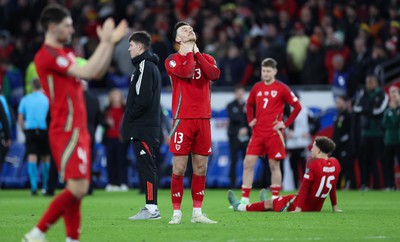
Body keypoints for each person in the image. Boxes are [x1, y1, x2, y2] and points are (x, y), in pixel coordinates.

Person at [22, 4, 127, 242]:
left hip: (77, 128)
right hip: (66, 127)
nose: (72, 30)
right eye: (67, 26)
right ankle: (37, 233)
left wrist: (109, 44)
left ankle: (72, 239)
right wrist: (106, 43)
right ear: (52, 27)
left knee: (77, 188)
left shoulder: (66, 53)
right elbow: (88, 71)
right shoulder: (47, 55)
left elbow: (97, 72)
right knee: (78, 188)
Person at [164, 21, 220, 224]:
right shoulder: (172, 60)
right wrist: (189, 53)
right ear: (178, 39)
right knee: (179, 167)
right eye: (184, 30)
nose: (190, 30)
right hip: (183, 119)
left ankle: (197, 212)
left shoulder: (206, 58)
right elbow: (187, 72)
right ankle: (176, 212)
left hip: (203, 119)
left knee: (201, 168)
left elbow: (214, 74)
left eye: (191, 29)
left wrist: (197, 53)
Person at [239, 58, 302, 204]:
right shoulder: (257, 87)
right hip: (258, 133)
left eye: (268, 71)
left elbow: (297, 106)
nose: (265, 74)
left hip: (274, 133)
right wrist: (250, 120)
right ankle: (244, 199)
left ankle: (275, 198)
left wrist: (285, 124)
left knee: (274, 165)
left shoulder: (282, 88)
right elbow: (249, 105)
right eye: (263, 71)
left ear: (275, 71)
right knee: (248, 162)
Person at [228, 136, 342, 213]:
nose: (311, 149)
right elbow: (332, 187)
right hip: (316, 207)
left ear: (318, 151)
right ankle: (265, 200)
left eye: (313, 146)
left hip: (302, 205)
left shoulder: (313, 163)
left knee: (270, 203)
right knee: (281, 199)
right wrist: (334, 207)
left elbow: (304, 187)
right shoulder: (335, 163)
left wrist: (298, 209)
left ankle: (240, 207)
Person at [121, 31, 162, 220]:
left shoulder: (145, 66)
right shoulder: (143, 66)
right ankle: (150, 207)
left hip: (144, 126)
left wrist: (129, 118)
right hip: (145, 126)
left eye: (131, 45)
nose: (128, 49)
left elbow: (143, 100)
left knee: (147, 167)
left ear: (139, 47)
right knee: (147, 166)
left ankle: (152, 209)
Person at [353, 74, 388, 190]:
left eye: (371, 82)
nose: (369, 84)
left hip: (378, 133)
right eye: (367, 82)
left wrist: (366, 110)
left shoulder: (382, 94)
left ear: (376, 83)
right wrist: (369, 109)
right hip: (365, 133)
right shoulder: (363, 93)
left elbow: (379, 111)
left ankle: (386, 185)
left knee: (382, 160)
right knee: (365, 160)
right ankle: (365, 184)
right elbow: (356, 108)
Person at [17, 78, 50, 196]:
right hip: (43, 129)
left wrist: (23, 130)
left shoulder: (25, 99)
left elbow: (20, 118)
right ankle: (46, 186)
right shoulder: (46, 99)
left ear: (32, 86)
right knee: (46, 157)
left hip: (30, 130)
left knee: (32, 157)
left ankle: (34, 186)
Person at [104, 88, 128, 192]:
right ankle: (111, 183)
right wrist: (106, 123)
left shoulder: (125, 109)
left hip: (121, 138)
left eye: (117, 95)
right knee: (110, 161)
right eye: (113, 95)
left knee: (121, 161)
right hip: (110, 137)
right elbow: (101, 122)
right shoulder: (107, 109)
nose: (115, 97)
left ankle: (123, 182)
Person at [227, 84, 250, 188]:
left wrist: (247, 129)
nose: (240, 94)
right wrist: (242, 125)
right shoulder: (230, 105)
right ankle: (232, 183)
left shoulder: (248, 105)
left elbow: (251, 119)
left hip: (246, 138)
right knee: (234, 160)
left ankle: (247, 183)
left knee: (247, 161)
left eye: (241, 92)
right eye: (238, 92)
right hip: (234, 137)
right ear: (235, 94)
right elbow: (233, 117)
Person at [332, 95, 355, 189]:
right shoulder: (337, 115)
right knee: (336, 169)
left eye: (339, 102)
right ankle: (336, 187)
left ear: (345, 102)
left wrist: (342, 141)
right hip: (336, 147)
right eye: (337, 102)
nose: (337, 104)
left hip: (345, 146)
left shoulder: (348, 115)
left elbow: (349, 132)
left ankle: (350, 185)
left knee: (346, 167)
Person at [381, 86, 400, 190]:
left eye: (394, 92)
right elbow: (384, 124)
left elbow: (394, 123)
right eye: (391, 92)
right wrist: (392, 112)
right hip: (389, 141)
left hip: (398, 140)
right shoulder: (388, 109)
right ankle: (390, 185)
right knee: (388, 165)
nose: (392, 95)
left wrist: (394, 112)